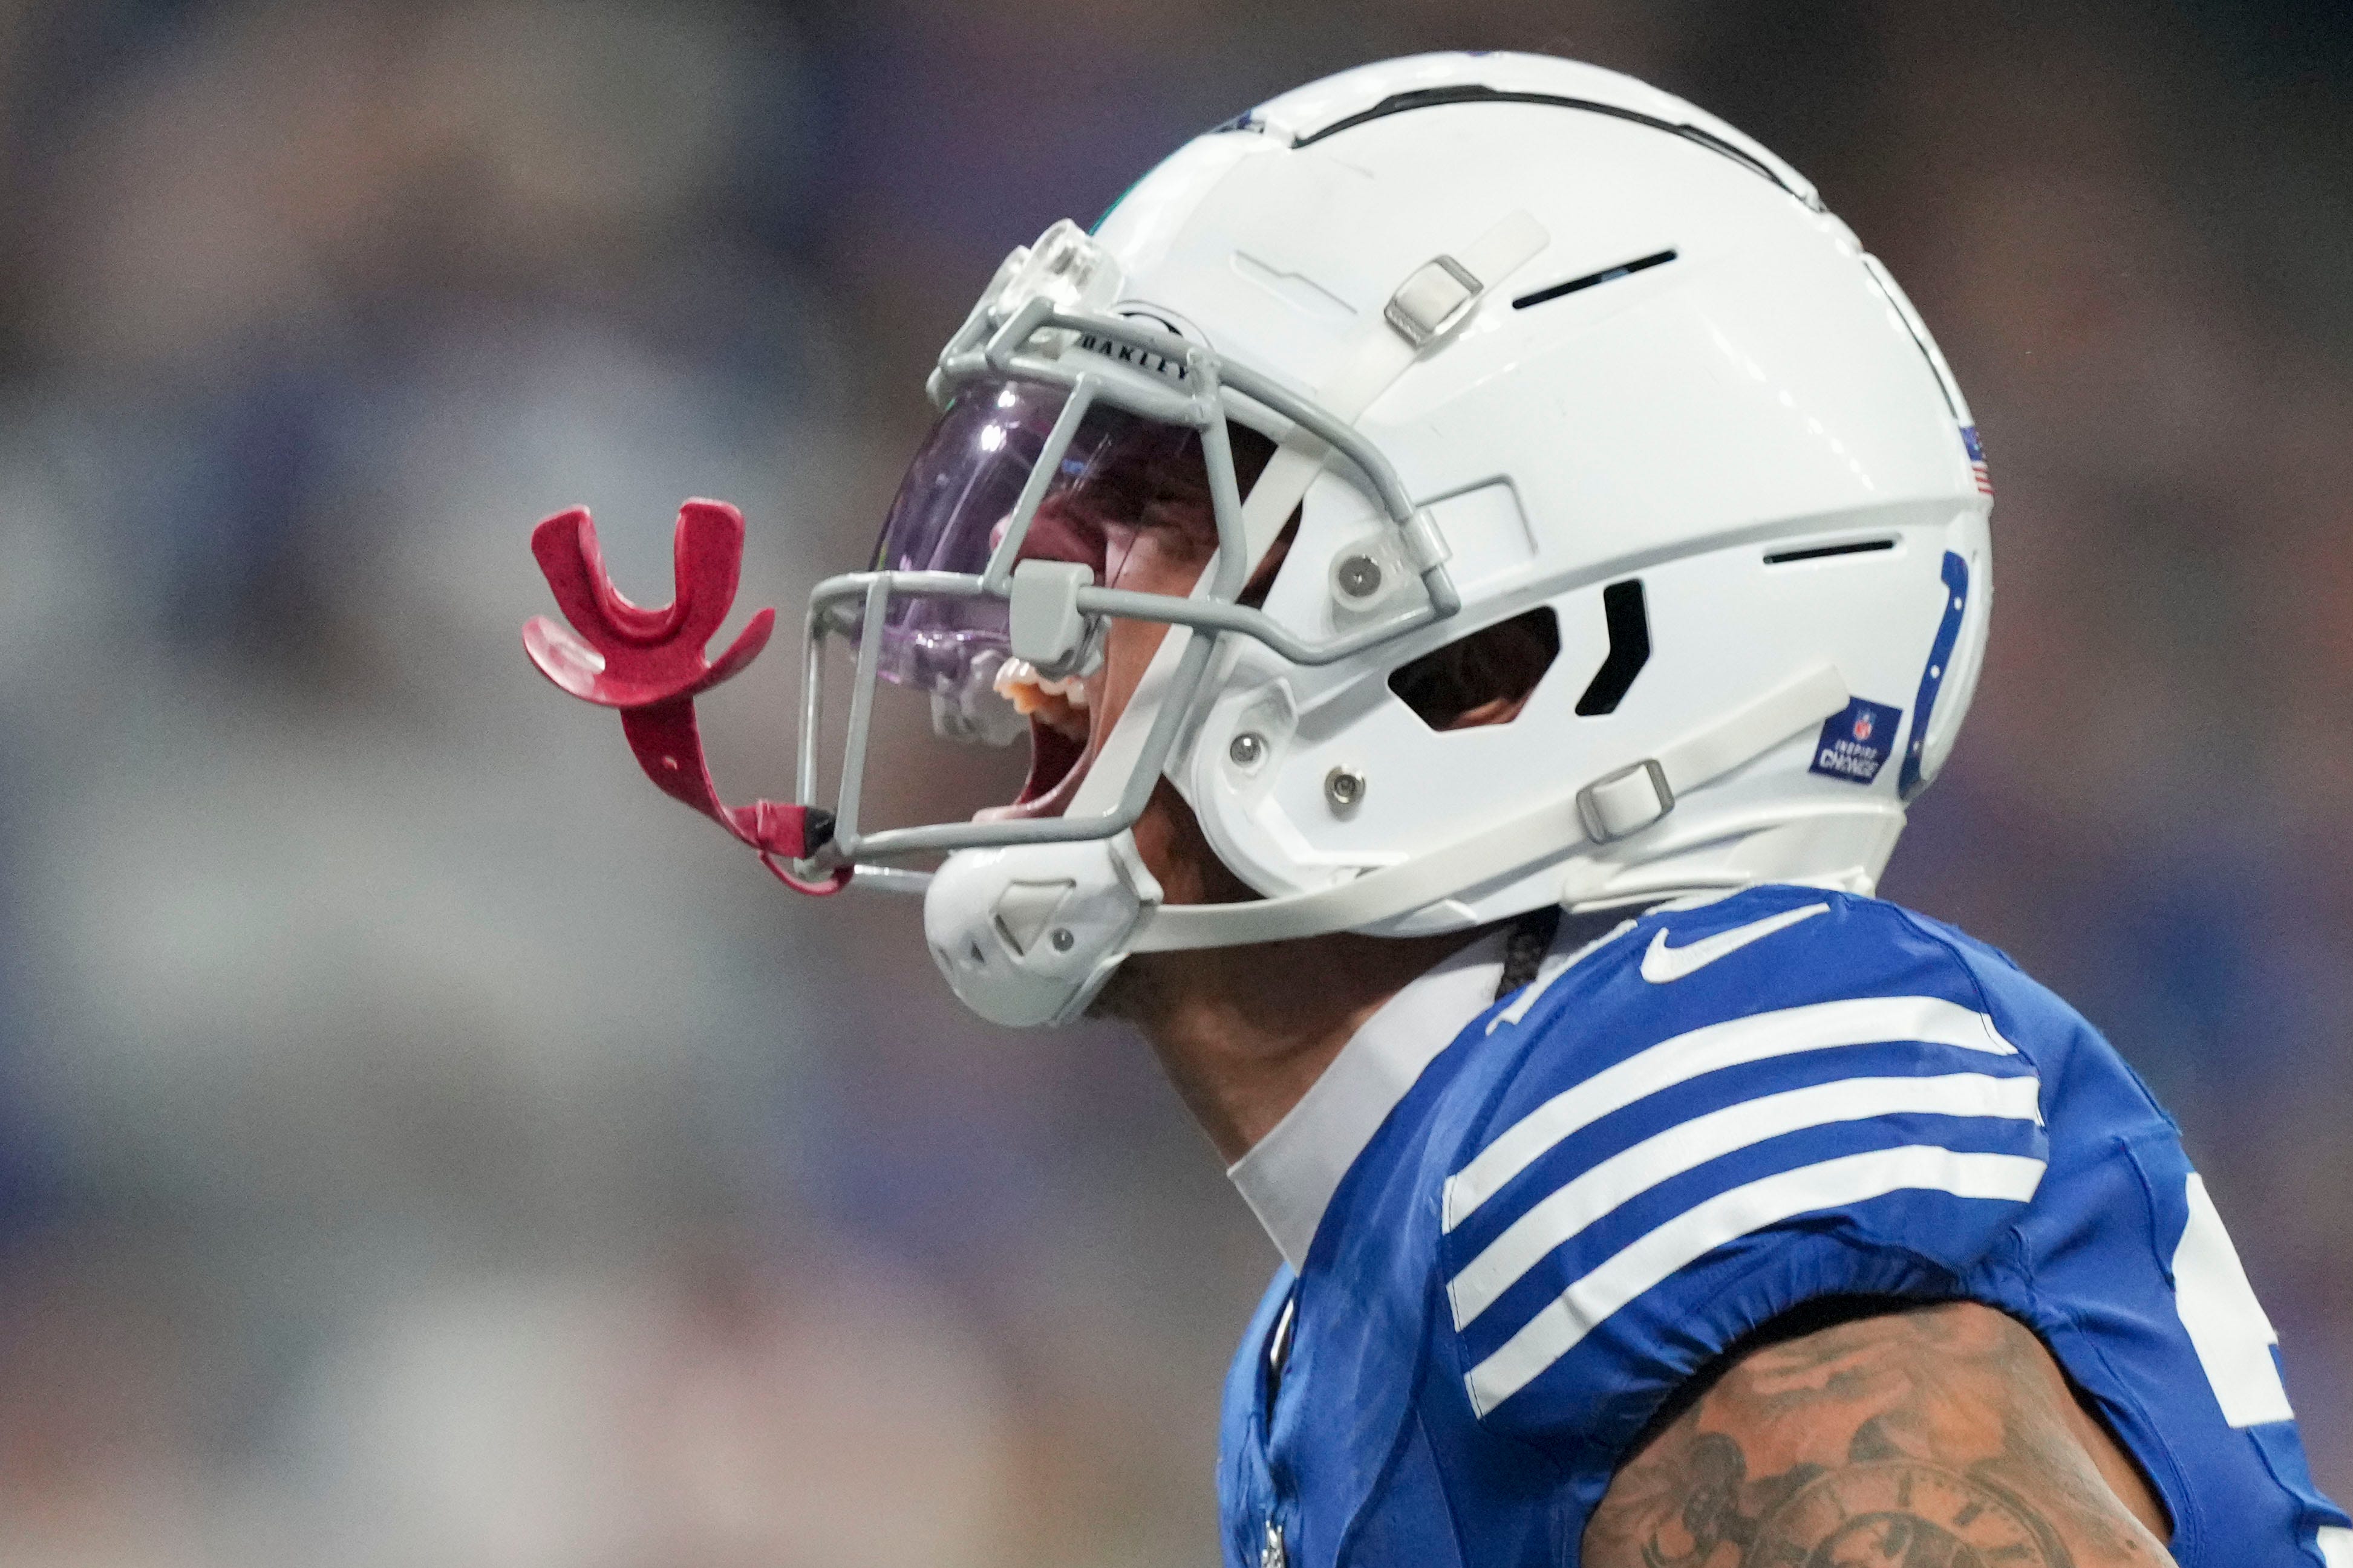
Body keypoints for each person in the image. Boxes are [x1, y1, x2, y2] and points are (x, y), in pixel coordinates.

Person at [524, 51, 2349, 1568]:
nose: (1036, 593)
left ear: (1499, 663)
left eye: (1161, 507)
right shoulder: (1358, 1306)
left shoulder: (1656, 1126)